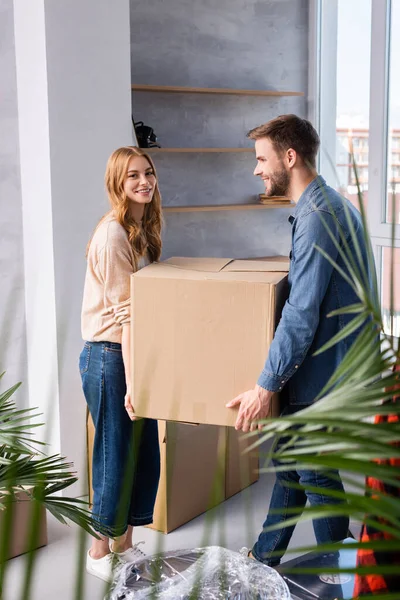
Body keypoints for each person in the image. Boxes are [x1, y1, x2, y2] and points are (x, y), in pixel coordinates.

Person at [226, 114, 371, 566]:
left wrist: (265, 387)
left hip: (324, 373)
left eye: (261, 158)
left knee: (313, 470)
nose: (256, 170)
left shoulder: (318, 217)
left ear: (289, 157)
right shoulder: (328, 205)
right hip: (331, 366)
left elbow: (302, 313)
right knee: (292, 465)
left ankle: (337, 567)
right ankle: (265, 559)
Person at [79, 146, 162, 582]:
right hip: (111, 357)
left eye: (148, 173)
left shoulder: (139, 230)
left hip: (129, 354)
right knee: (115, 457)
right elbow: (126, 315)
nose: (144, 181)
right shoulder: (112, 235)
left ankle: (124, 548)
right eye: (133, 176)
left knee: (141, 456)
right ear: (117, 183)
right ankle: (98, 553)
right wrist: (134, 383)